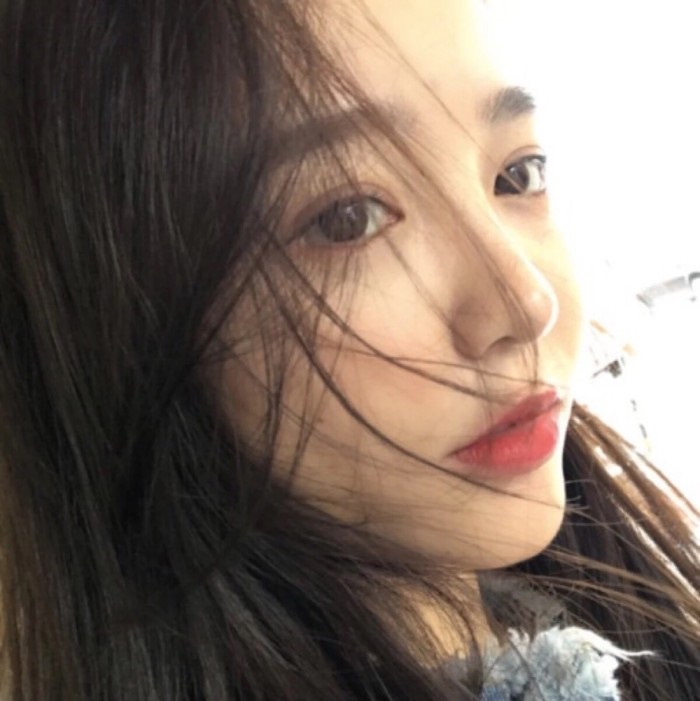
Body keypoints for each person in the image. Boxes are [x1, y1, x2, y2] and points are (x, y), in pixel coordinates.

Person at [0, 1, 697, 699]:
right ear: (120, 324)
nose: (526, 303)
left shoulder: (612, 609)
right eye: (347, 219)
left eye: (518, 174)